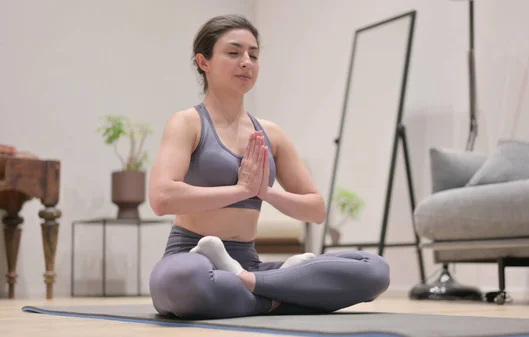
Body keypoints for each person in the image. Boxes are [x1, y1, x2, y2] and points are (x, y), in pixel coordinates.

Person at [147, 14, 390, 319]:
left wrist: (266, 193)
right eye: (234, 53)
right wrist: (240, 190)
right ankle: (279, 295)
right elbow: (162, 198)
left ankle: (250, 282)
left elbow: (315, 209)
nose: (246, 62)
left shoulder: (271, 134)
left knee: (374, 271)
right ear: (203, 62)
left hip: (248, 263)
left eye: (254, 55)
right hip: (192, 256)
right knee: (182, 283)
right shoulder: (187, 123)